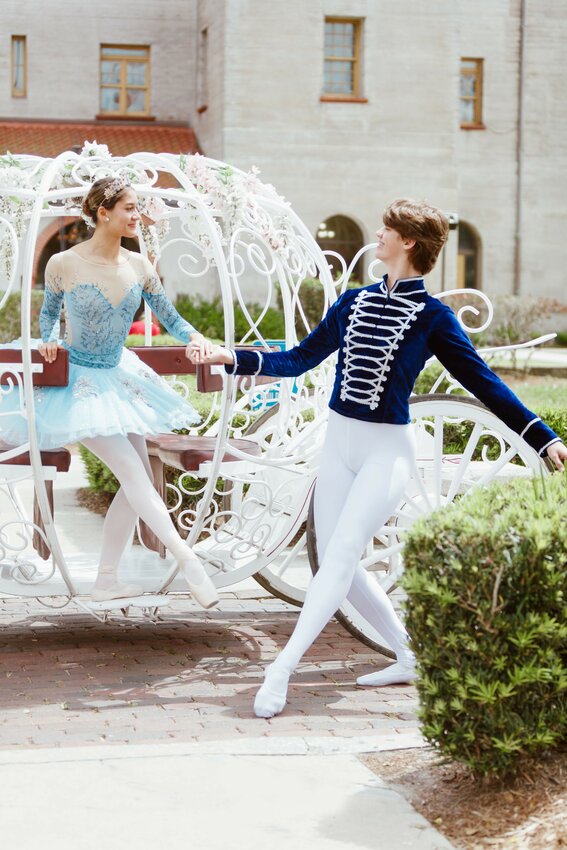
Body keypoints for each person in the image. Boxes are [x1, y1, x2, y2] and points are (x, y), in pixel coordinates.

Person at [188, 198, 567, 718]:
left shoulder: (434, 318)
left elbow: (483, 382)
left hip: (386, 450)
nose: (379, 234)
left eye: (387, 228)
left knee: (341, 557)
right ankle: (409, 653)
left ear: (408, 242)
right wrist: (230, 356)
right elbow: (298, 359)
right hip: (340, 443)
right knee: (339, 562)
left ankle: (282, 669)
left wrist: (542, 437)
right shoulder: (353, 302)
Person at [0, 175, 219, 609]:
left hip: (120, 377)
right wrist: (46, 339)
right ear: (103, 213)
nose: (138, 216)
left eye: (138, 208)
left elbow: (171, 318)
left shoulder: (139, 266)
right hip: (78, 386)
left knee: (136, 479)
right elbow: (48, 318)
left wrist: (197, 338)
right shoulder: (63, 262)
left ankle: (106, 579)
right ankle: (187, 558)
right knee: (136, 475)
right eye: (130, 208)